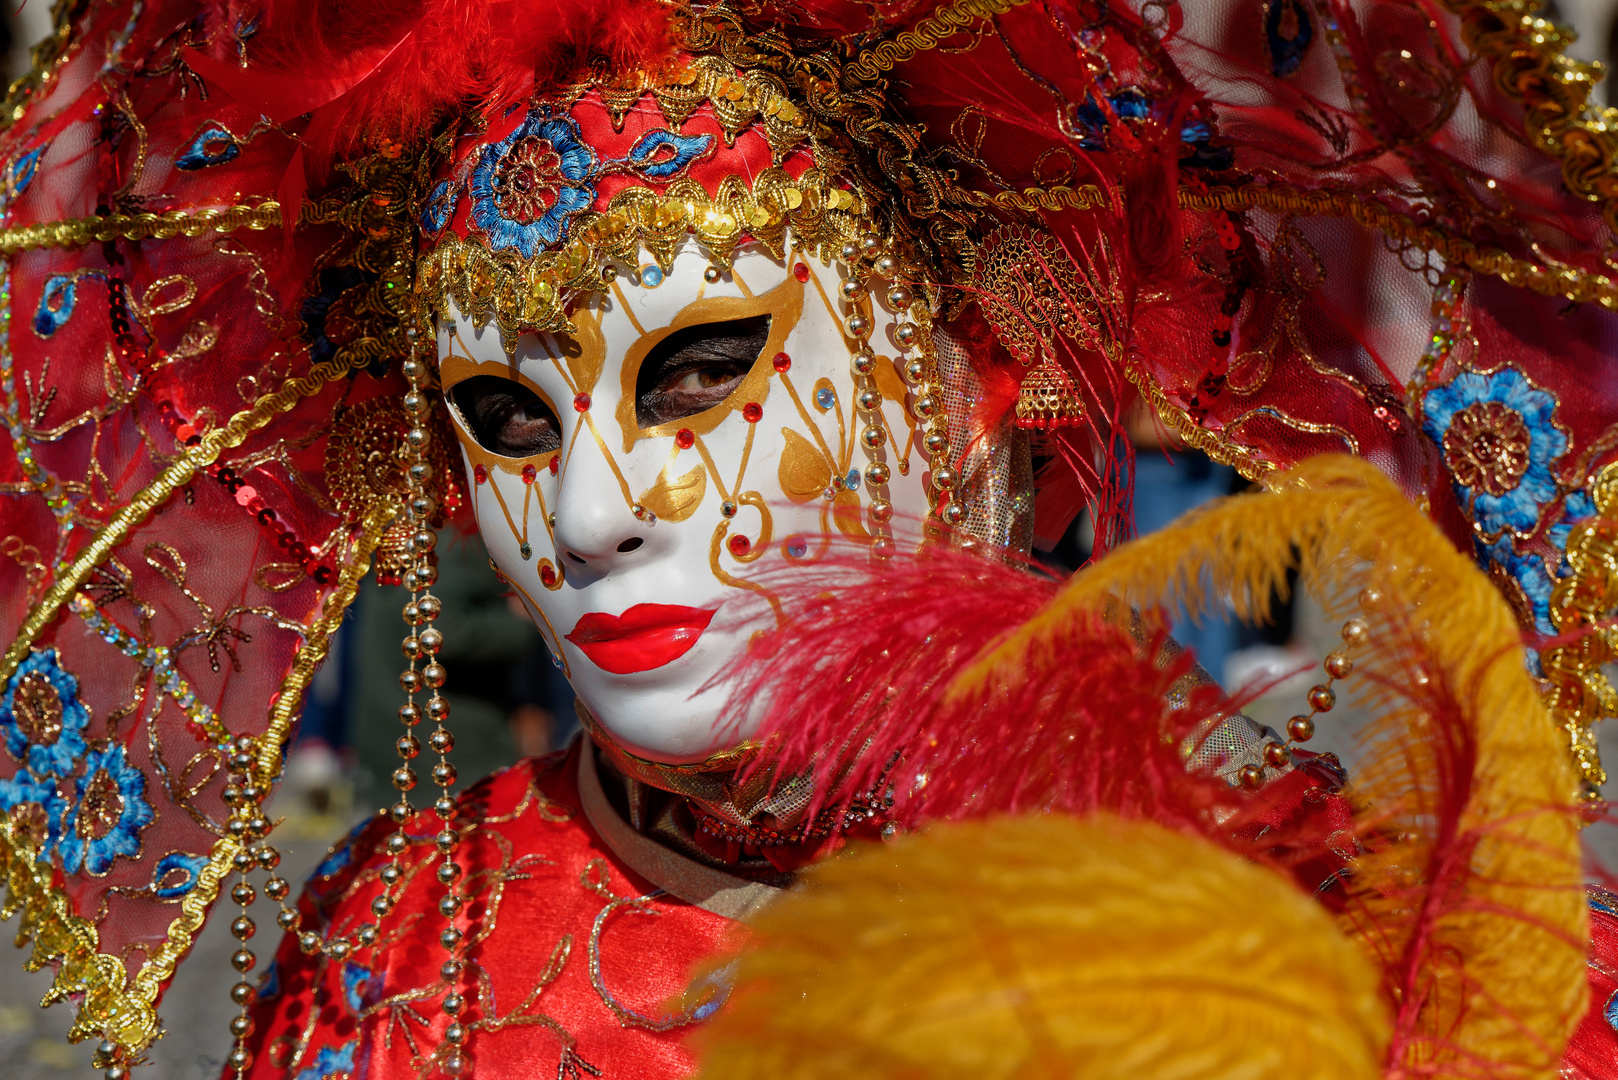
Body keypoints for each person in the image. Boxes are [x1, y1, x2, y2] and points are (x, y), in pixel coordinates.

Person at [0, 2, 1612, 1079]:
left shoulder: (1306, 906)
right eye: (503, 419)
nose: (582, 510)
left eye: (699, 371)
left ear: (971, 362)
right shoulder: (403, 929)